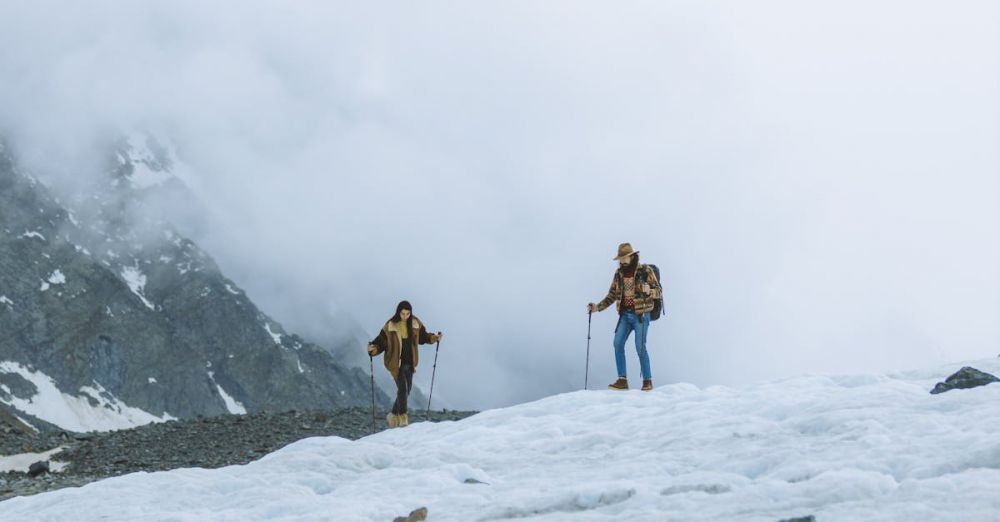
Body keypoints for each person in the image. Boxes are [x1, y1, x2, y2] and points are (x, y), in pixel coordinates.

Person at [588, 243, 662, 391]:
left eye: (623, 258)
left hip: (641, 314)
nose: (621, 261)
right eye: (619, 259)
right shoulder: (619, 274)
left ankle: (647, 381)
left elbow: (659, 291)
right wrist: (597, 308)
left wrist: (650, 291)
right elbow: (612, 295)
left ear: (631, 256)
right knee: (617, 343)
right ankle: (622, 380)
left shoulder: (645, 270)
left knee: (640, 347)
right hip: (625, 314)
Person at [367, 300, 442, 428]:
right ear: (398, 312)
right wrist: (373, 349)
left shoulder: (415, 323)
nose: (405, 316)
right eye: (402, 313)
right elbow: (381, 342)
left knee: (407, 390)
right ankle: (403, 418)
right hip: (396, 364)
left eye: (407, 314)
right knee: (403, 388)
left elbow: (423, 337)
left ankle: (392, 414)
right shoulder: (390, 325)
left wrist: (434, 338)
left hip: (410, 362)